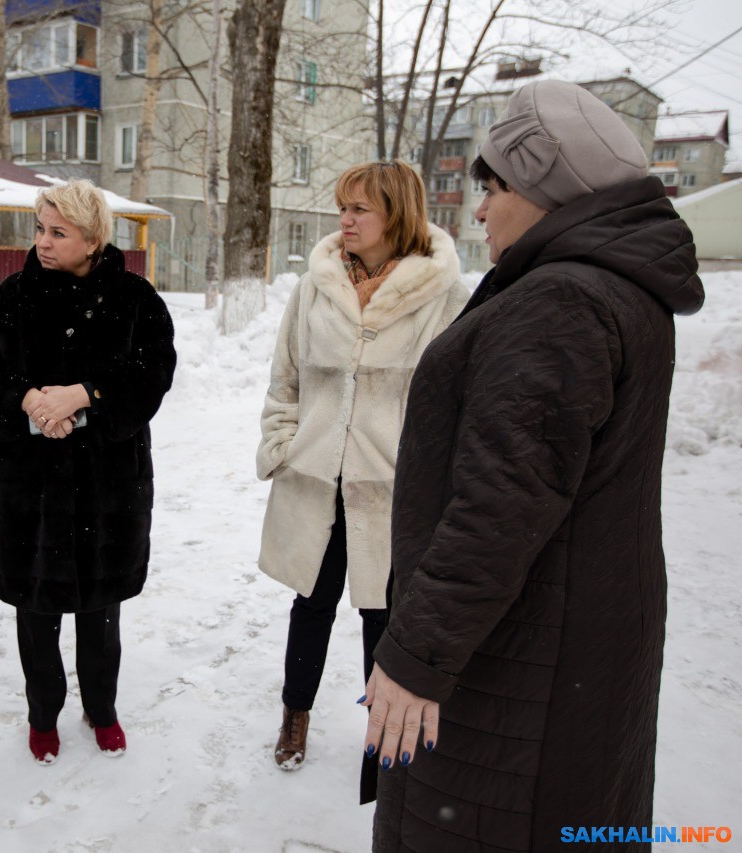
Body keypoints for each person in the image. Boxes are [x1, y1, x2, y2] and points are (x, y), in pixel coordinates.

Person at [364, 80, 705, 851]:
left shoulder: (561, 300)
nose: (479, 207)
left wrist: (418, 653)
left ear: (548, 184)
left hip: (521, 663)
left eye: (496, 184)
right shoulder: (617, 290)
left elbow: (503, 501)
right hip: (577, 647)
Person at [257, 161, 467, 789]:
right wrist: (282, 441)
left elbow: (453, 403)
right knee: (311, 604)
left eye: (359, 209)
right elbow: (286, 374)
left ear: (396, 216)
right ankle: (295, 715)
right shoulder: (316, 285)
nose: (344, 220)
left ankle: (383, 739)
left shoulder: (444, 295)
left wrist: (429, 479)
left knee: (386, 617)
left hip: (393, 490)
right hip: (317, 476)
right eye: (342, 206)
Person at [0, 180, 176, 764]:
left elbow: (152, 372)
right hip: (30, 484)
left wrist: (86, 395)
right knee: (35, 607)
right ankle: (42, 713)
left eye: (59, 232)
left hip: (106, 485)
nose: (44, 242)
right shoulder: (12, 297)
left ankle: (102, 707)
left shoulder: (135, 299)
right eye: (40, 229)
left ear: (92, 239)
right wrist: (30, 401)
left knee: (99, 609)